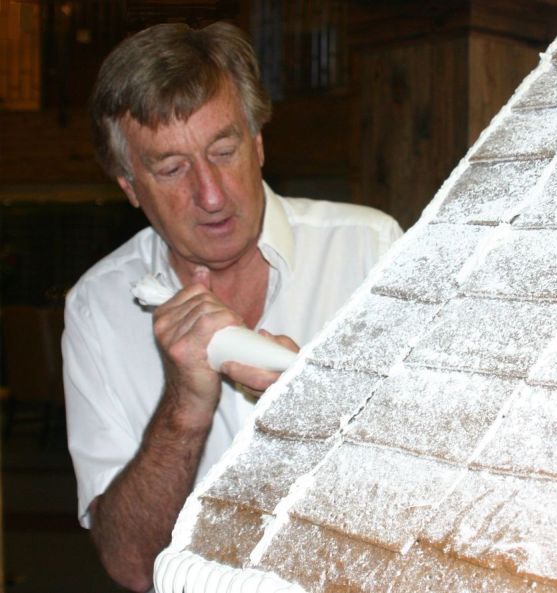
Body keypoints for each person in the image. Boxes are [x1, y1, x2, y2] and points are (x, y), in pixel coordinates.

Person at [62, 21, 402, 592]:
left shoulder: (371, 249)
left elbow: (441, 483)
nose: (212, 194)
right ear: (128, 185)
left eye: (224, 149)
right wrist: (184, 407)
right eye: (171, 169)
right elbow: (130, 566)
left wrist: (312, 407)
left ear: (260, 142)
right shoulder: (96, 308)